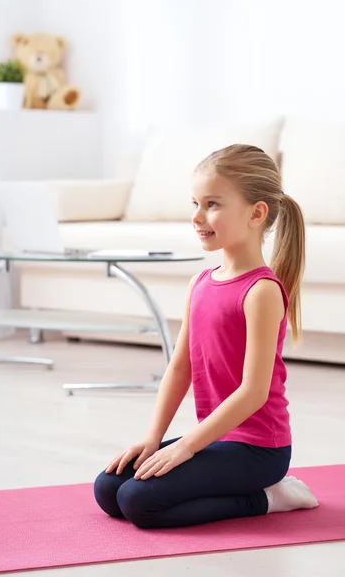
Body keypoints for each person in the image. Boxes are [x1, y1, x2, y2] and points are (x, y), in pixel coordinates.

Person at [94, 144, 319, 529]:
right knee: (109, 489)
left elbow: (253, 392)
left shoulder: (261, 291)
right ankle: (218, 476)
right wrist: (154, 439)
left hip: (259, 450)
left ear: (256, 213)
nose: (197, 216)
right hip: (217, 440)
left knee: (138, 502)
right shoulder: (200, 282)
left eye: (212, 204)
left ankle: (269, 496)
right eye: (195, 203)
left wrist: (185, 447)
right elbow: (180, 368)